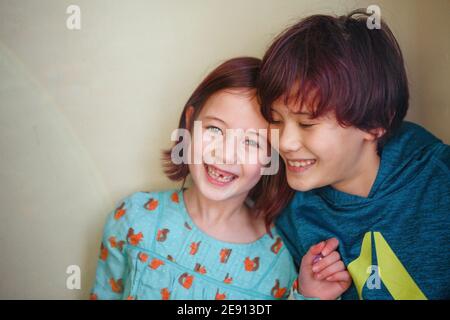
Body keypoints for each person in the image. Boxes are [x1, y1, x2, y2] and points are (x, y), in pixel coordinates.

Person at [90, 57, 351, 300]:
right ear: (191, 122)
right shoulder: (134, 217)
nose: (226, 154)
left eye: (251, 142)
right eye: (214, 129)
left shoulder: (277, 262)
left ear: (273, 155)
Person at [257, 10, 450, 300]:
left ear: (374, 123)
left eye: (307, 123)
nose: (285, 142)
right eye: (275, 119)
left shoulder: (440, 180)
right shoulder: (291, 212)